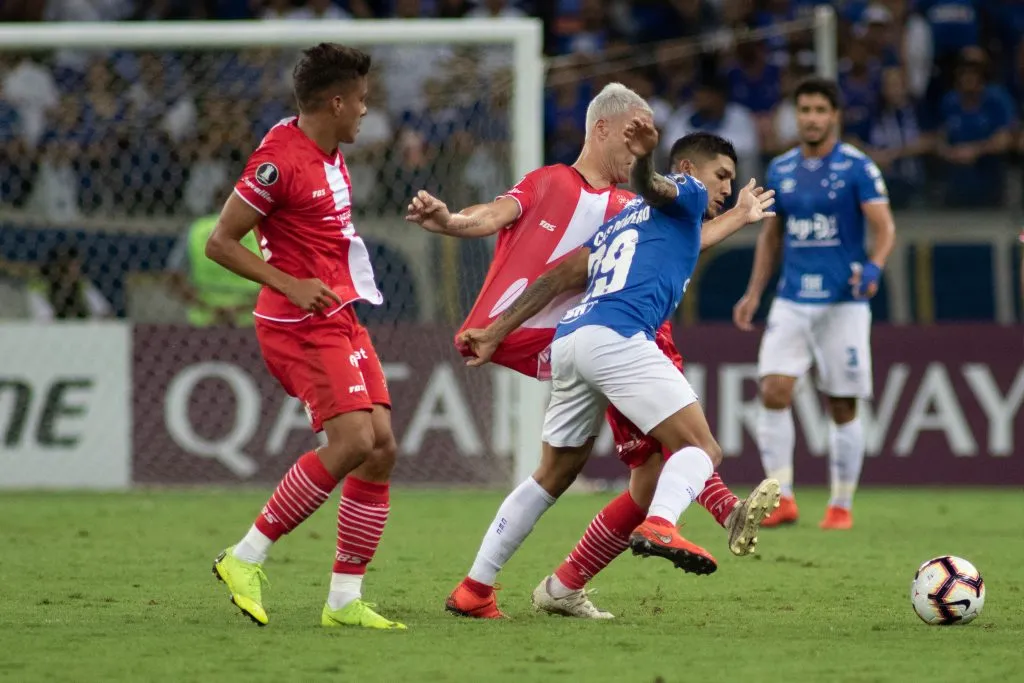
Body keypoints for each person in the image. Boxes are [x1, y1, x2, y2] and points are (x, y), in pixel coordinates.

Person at [408, 84, 775, 620]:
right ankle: (670, 522)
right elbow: (657, 187)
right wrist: (650, 156)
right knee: (701, 448)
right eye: (721, 176)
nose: (724, 188)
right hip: (619, 338)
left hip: (570, 341)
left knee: (555, 473)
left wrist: (496, 329)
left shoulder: (623, 218)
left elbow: (561, 276)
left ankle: (476, 588)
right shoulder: (676, 189)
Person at [204, 44, 404, 630]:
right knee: (351, 442)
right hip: (298, 323)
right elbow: (221, 242)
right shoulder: (279, 162)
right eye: (361, 101)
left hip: (339, 314)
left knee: (382, 445)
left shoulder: (328, 148)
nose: (366, 111)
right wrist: (288, 283)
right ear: (336, 102)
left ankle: (344, 600)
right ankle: (244, 556)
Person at [732, 76, 897, 530]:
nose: (811, 118)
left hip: (843, 302)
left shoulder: (858, 167)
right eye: (804, 110)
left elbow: (884, 227)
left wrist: (877, 266)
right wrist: (754, 291)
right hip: (791, 299)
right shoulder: (782, 168)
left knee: (842, 404)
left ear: (835, 116)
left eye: (819, 110)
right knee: (773, 390)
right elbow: (772, 234)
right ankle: (782, 497)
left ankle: (840, 504)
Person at [167, 213, 261, 327]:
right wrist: (242, 308)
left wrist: (207, 307)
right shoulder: (260, 230)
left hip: (205, 318)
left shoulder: (196, 229)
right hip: (249, 318)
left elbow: (174, 278)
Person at [27, 244, 113, 321]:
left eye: (77, 265)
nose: (77, 270)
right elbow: (44, 317)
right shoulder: (39, 286)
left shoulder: (81, 284)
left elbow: (104, 311)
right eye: (73, 266)